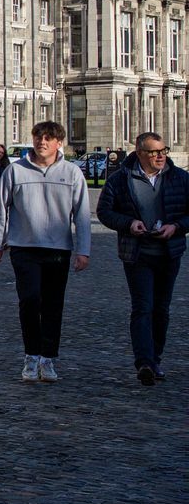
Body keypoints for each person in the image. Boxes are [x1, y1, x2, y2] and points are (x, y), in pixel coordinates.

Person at [0, 121, 91, 383]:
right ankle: (31, 355)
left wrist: (83, 250)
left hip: (58, 248)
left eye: (48, 138)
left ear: (59, 143)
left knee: (53, 305)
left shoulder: (71, 173)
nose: (42, 142)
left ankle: (48, 358)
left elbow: (82, 215)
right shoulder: (15, 171)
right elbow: (1, 209)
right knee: (30, 302)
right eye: (38, 137)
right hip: (24, 246)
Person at [96, 132, 185, 386]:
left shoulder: (179, 178)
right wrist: (129, 223)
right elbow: (104, 211)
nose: (160, 156)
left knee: (161, 309)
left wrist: (176, 227)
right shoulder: (120, 179)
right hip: (137, 253)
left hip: (169, 252)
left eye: (163, 151)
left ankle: (155, 358)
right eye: (154, 152)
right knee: (142, 307)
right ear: (140, 153)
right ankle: (144, 362)